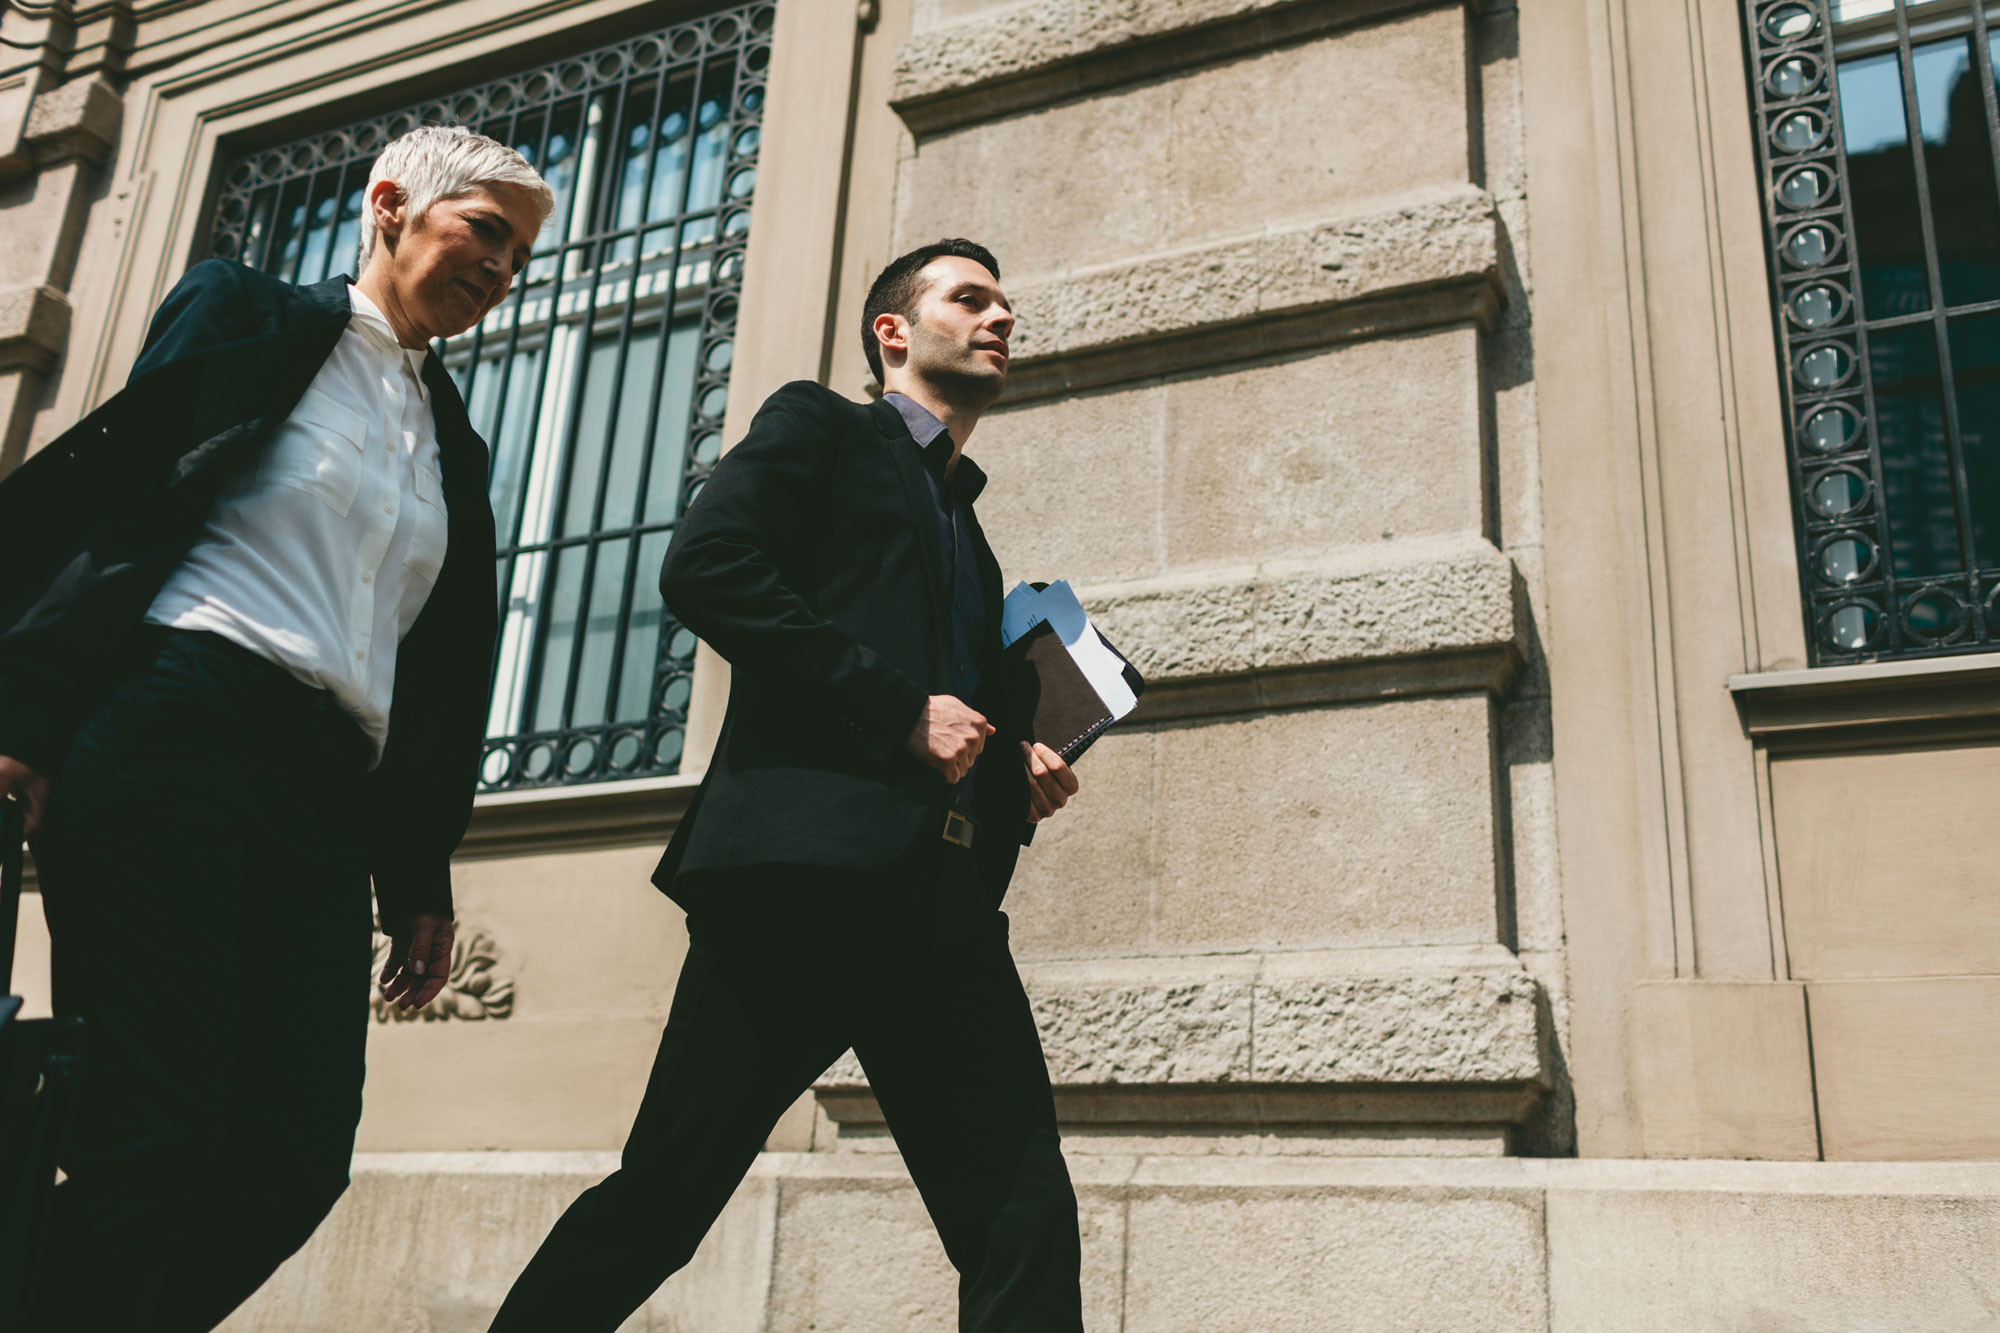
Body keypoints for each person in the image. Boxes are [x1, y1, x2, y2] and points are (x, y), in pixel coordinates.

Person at [0, 125, 551, 1330]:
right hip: (175, 724)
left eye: (518, 257)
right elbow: (126, 496)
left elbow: (440, 668)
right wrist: (28, 711)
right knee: (154, 1120)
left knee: (294, 1156)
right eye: (485, 232)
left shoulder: (453, 441)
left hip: (321, 788)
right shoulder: (249, 313)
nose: (500, 270)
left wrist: (416, 871)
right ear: (393, 204)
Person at [489, 239, 1086, 1332]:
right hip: (802, 889)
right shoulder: (821, 426)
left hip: (940, 906)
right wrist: (898, 708)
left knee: (1019, 1208)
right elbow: (707, 568)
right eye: (970, 298)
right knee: (666, 1196)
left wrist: (1013, 760)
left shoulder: (966, 525)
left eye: (1007, 302)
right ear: (892, 333)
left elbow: (945, 707)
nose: (1002, 316)